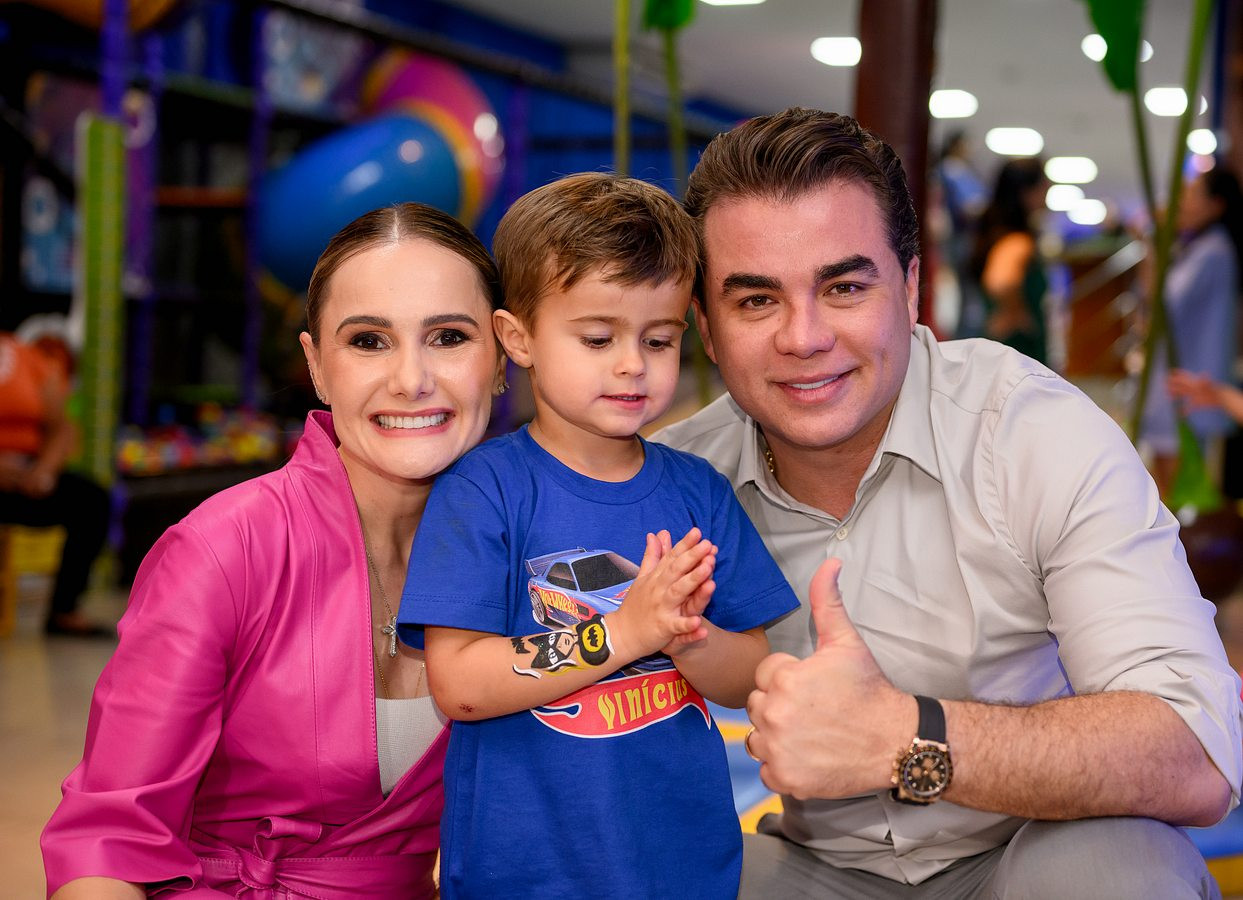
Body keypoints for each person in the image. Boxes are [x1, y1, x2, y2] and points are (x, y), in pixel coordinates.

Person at [655, 107, 1241, 898]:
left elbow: (1196, 754)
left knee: (1115, 871)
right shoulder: (673, 482)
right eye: (756, 301)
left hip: (1033, 852)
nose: (803, 337)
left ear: (909, 288)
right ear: (705, 324)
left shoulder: (1030, 432)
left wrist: (902, 736)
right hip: (811, 867)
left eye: (844, 286)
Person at [41, 202, 506, 898]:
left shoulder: (527, 564)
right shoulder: (222, 551)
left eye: (447, 337)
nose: (411, 379)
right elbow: (106, 844)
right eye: (369, 341)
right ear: (316, 366)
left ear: (502, 355)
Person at [398, 172, 800, 898]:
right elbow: (459, 686)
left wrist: (688, 638)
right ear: (518, 337)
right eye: (596, 337)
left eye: (658, 339)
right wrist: (625, 631)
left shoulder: (698, 491)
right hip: (526, 873)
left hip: (681, 864)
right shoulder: (483, 491)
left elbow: (751, 675)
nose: (632, 364)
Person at [0, 325, 111, 636]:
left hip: (23, 476)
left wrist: (44, 471)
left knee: (91, 500)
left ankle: (64, 610)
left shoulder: (28, 358)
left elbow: (60, 428)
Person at [1141, 167, 1243, 496]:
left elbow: (1162, 303)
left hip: (1189, 393)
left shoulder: (1212, 250)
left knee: (1177, 495)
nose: (1181, 202)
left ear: (1216, 204)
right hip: (1190, 390)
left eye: (1192, 194)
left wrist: (1154, 240)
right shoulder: (1201, 248)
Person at [970, 156, 1051, 364]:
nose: (1047, 192)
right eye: (1043, 186)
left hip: (1009, 351)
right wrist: (1016, 313)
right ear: (1026, 193)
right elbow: (1001, 282)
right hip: (1018, 351)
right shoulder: (1017, 241)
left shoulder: (1003, 236)